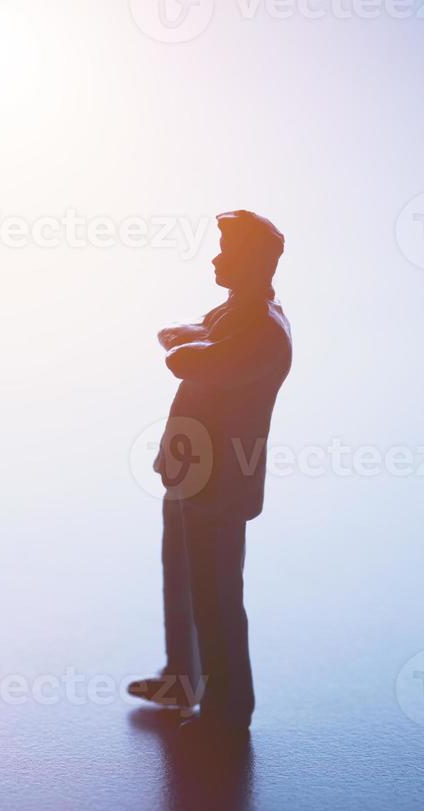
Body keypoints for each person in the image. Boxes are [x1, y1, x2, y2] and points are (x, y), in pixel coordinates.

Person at [128, 211, 292, 740]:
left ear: (255, 261)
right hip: (189, 468)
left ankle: (227, 707)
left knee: (216, 594)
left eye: (227, 250)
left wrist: (186, 345)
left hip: (220, 481)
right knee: (180, 581)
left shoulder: (264, 328)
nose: (217, 258)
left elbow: (201, 361)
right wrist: (189, 337)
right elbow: (200, 338)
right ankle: (183, 679)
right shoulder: (235, 311)